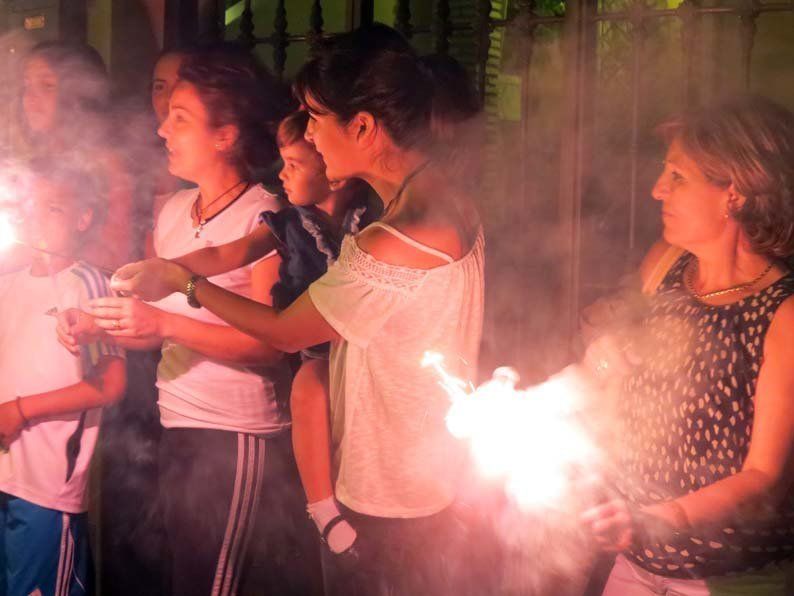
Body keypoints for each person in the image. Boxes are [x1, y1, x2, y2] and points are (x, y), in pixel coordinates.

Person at [104, 25, 485, 595]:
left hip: (395, 493)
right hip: (422, 474)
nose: (307, 134)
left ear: (361, 127)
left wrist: (184, 285)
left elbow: (283, 332)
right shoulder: (439, 196)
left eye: (314, 117)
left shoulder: (395, 236)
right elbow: (236, 251)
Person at [59, 46, 311, 596]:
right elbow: (150, 307)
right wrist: (97, 321)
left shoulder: (261, 216)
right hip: (177, 427)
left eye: (181, 119)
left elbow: (271, 345)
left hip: (236, 438)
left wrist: (164, 326)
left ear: (225, 135)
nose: (161, 130)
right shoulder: (173, 211)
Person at [581, 96, 794, 595]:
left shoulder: (782, 312)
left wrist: (658, 517)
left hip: (727, 576)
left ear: (734, 193)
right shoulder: (664, 265)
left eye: (677, 177)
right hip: (636, 561)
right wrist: (602, 365)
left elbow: (763, 473)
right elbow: (621, 370)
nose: (658, 191)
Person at [0, 160, 126, 596]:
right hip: (4, 474)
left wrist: (20, 410)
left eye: (52, 208)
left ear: (82, 218)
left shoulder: (87, 284)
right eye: (32, 207)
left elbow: (109, 384)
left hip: (48, 487)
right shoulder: (7, 283)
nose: (36, 219)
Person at [20, 41, 135, 271]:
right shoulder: (34, 162)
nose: (31, 97)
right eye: (27, 86)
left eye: (47, 86)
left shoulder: (107, 164)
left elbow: (116, 258)